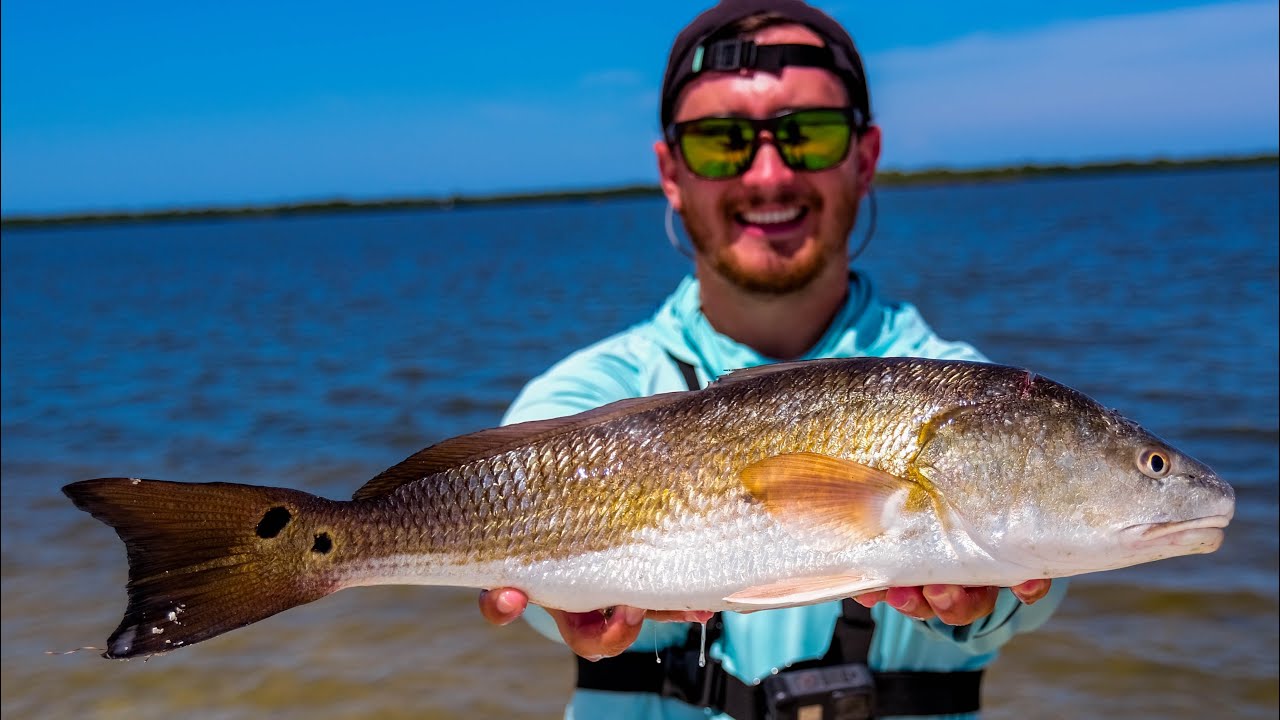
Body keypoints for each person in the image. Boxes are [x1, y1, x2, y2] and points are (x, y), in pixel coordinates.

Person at [478, 1, 1067, 717]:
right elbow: (505, 514)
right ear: (671, 172)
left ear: (866, 158)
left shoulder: (956, 386)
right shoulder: (591, 390)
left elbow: (1048, 565)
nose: (767, 175)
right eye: (722, 142)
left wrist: (1002, 589)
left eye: (809, 136)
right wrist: (561, 604)